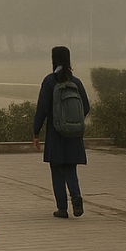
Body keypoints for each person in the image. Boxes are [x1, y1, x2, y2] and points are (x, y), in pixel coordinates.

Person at [32, 46, 91, 218]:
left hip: (55, 133)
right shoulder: (76, 82)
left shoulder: (50, 81)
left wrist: (36, 132)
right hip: (74, 135)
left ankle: (62, 208)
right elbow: (86, 107)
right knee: (71, 169)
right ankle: (76, 197)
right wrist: (72, 121)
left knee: (57, 170)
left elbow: (42, 109)